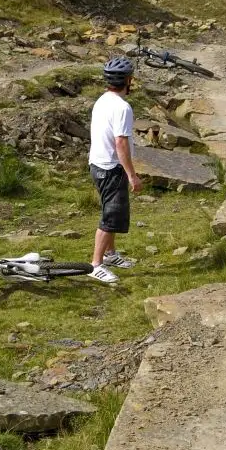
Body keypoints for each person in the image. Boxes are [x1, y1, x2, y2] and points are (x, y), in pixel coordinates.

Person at [88, 56, 143, 284]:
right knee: (111, 217)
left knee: (109, 211)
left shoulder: (103, 100)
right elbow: (120, 143)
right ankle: (96, 264)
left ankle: (110, 255)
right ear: (128, 80)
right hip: (111, 168)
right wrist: (132, 175)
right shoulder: (123, 107)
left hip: (97, 164)